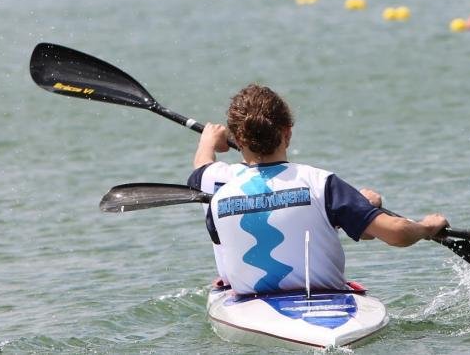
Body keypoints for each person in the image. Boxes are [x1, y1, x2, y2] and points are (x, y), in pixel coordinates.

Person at [187, 84, 448, 295]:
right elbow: (397, 234)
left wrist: (209, 139)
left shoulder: (216, 192)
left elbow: (202, 168)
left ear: (239, 139)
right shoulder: (321, 183)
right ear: (287, 133)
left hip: (247, 310)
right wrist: (425, 227)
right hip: (326, 303)